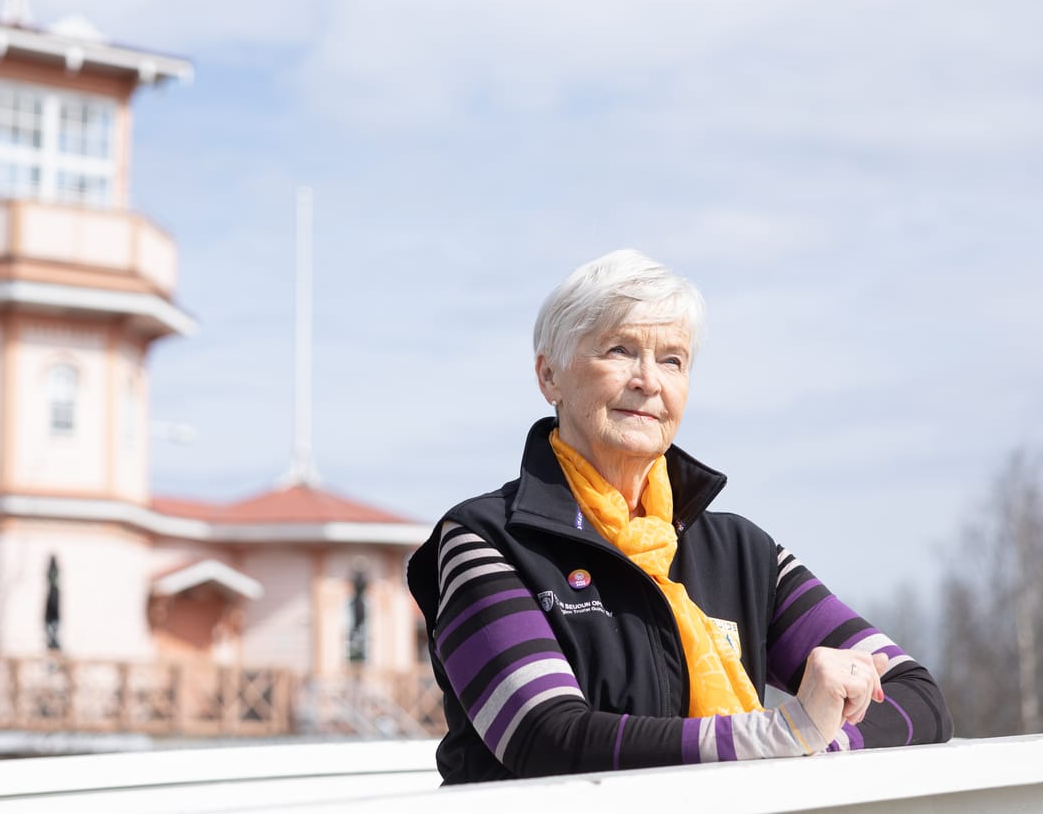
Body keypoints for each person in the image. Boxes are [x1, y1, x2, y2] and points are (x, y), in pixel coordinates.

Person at [406, 250, 953, 784]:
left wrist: (816, 740)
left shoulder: (742, 553)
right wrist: (778, 737)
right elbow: (547, 738)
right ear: (550, 377)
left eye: (672, 360)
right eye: (620, 350)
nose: (649, 381)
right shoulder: (487, 540)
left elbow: (917, 697)